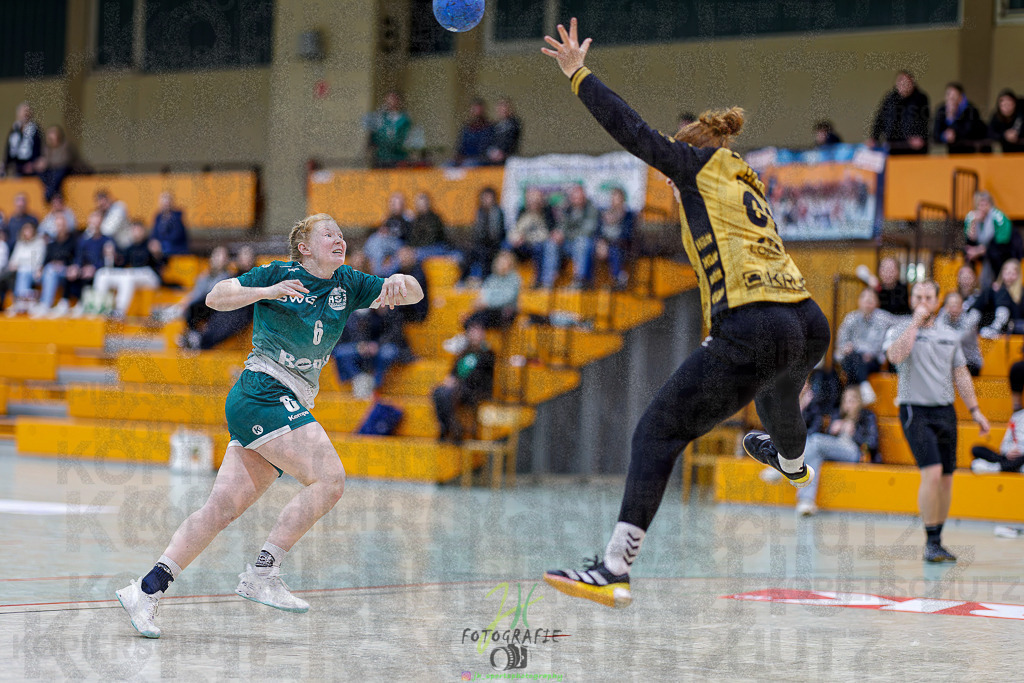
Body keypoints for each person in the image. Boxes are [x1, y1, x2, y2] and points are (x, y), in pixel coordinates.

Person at [539, 19, 829, 608]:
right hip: (807, 318)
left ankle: (613, 567)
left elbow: (632, 131)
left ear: (691, 151)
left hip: (755, 321)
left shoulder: (695, 165)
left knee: (658, 429)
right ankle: (794, 462)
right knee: (777, 395)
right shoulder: (744, 177)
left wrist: (578, 75)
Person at [116, 214, 423, 638]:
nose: (338, 238)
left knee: (220, 510)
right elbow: (215, 297)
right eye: (328, 234)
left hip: (280, 403)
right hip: (262, 390)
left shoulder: (348, 282)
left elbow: (414, 295)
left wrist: (401, 281)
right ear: (305, 247)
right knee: (330, 479)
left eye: (340, 232)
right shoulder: (279, 273)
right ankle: (264, 571)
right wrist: (266, 291)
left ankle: (145, 590)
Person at [883, 280, 990, 563]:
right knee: (931, 472)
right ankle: (930, 541)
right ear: (911, 299)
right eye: (918, 296)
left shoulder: (950, 335)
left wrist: (975, 410)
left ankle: (937, 540)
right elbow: (895, 356)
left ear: (937, 301)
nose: (923, 301)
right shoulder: (899, 330)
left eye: (929, 297)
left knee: (945, 479)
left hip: (945, 412)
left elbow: (961, 374)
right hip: (914, 411)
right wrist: (915, 325)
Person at [764, 384, 879, 516]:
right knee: (814, 454)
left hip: (855, 451)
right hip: (835, 450)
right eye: (846, 400)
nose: (849, 404)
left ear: (859, 402)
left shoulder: (867, 417)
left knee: (816, 440)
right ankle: (806, 502)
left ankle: (783, 465)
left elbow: (872, 442)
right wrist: (834, 430)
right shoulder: (838, 415)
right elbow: (829, 439)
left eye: (852, 400)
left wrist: (855, 433)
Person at [432, 321, 496, 445]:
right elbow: (453, 371)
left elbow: (481, 377)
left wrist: (457, 382)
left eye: (477, 332)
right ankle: (449, 426)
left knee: (447, 394)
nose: (474, 335)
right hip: (459, 387)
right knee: (438, 392)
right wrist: (450, 379)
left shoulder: (487, 353)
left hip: (476, 389)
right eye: (472, 332)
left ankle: (449, 428)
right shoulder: (464, 352)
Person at [91, 222, 165, 318]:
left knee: (128, 276)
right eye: (134, 230)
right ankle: (98, 309)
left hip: (151, 276)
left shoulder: (150, 244)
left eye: (138, 230)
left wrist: (158, 253)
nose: (136, 233)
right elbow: (121, 263)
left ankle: (119, 311)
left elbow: (162, 263)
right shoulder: (130, 247)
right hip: (134, 275)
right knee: (102, 273)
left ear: (144, 231)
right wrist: (113, 256)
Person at [834, 288, 893, 404]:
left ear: (877, 303)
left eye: (871, 300)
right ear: (859, 302)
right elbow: (840, 345)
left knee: (852, 365)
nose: (868, 302)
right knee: (853, 358)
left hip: (873, 360)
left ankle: (847, 408)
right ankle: (864, 385)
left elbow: (902, 322)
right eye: (865, 299)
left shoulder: (883, 318)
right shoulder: (850, 319)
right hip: (853, 357)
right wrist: (846, 349)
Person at [541, 183, 599, 289]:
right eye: (574, 196)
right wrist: (558, 233)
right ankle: (547, 282)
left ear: (584, 196)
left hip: (587, 245)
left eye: (579, 196)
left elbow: (587, 231)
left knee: (581, 242)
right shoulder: (567, 208)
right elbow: (561, 226)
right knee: (551, 243)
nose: (576, 198)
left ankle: (579, 281)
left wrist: (565, 234)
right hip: (568, 244)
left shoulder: (591, 208)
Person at [964, 191, 1018, 289]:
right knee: (966, 252)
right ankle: (969, 285)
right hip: (983, 251)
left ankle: (996, 283)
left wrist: (978, 251)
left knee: (993, 253)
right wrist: (974, 222)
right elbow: (970, 239)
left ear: (990, 205)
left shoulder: (997, 216)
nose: (983, 208)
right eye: (980, 205)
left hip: (1003, 251)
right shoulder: (972, 217)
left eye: (985, 204)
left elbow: (1002, 241)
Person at [868, 71, 930, 154]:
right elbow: (879, 119)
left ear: (912, 83)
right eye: (900, 82)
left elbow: (925, 120)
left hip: (913, 146)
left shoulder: (921, 98)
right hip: (893, 144)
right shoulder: (890, 98)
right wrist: (874, 137)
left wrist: (920, 136)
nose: (903, 85)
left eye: (906, 82)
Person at [65, 211, 112, 314]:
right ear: (89, 221)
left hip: (100, 270)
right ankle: (65, 303)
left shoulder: (107, 240)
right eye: (94, 219)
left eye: (98, 219)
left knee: (91, 275)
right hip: (85, 268)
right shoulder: (84, 240)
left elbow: (107, 261)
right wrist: (76, 267)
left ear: (102, 222)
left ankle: (84, 304)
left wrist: (94, 268)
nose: (96, 222)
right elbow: (79, 257)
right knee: (71, 272)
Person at [31, 212, 77, 316]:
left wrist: (72, 266)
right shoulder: (52, 244)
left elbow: (76, 257)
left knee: (51, 270)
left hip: (67, 270)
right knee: (36, 271)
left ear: (66, 226)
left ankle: (46, 304)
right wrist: (40, 269)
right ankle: (22, 303)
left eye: (62, 225)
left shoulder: (73, 241)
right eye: (58, 225)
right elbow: (46, 259)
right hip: (52, 270)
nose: (60, 228)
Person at [463, 250, 520, 330]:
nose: (501, 264)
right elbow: (484, 293)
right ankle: (475, 339)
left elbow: (508, 298)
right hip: (489, 311)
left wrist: (488, 303)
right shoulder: (492, 279)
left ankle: (476, 339)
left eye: (504, 262)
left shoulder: (514, 279)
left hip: (504, 312)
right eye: (500, 262)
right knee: (470, 320)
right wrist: (481, 302)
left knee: (478, 320)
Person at [460, 187, 505, 284]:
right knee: (468, 252)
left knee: (485, 253)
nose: (486, 200)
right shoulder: (479, 212)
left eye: (489, 197)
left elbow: (497, 234)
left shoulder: (498, 212)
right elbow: (476, 232)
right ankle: (463, 280)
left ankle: (486, 281)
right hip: (480, 244)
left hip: (494, 245)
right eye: (484, 197)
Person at [594, 187, 636, 289]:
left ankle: (618, 280)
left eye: (618, 198)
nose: (615, 201)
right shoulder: (604, 214)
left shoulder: (629, 215)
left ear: (623, 199)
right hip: (603, 244)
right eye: (613, 197)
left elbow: (627, 234)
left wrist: (608, 244)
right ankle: (587, 281)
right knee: (589, 248)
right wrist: (601, 243)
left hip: (621, 245)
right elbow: (597, 230)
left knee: (614, 250)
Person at [506, 186, 553, 273]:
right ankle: (506, 278)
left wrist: (526, 238)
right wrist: (515, 238)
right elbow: (516, 229)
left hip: (538, 243)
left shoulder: (547, 212)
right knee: (507, 245)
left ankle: (538, 281)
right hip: (523, 244)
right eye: (530, 200)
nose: (533, 202)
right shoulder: (522, 211)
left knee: (540, 247)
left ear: (541, 201)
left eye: (536, 200)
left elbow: (546, 234)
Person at [2, 222, 45, 315]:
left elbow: (35, 262)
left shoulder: (38, 243)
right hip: (19, 270)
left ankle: (19, 302)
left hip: (34, 272)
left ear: (33, 231)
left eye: (29, 230)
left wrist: (20, 263)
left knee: (23, 271)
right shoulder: (20, 243)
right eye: (25, 230)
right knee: (13, 274)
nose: (27, 232)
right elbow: (13, 260)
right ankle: (17, 302)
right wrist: (15, 264)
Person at [932, 83, 987, 154]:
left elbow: (969, 132)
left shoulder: (971, 110)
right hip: (951, 152)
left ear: (961, 97)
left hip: (969, 152)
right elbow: (936, 134)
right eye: (948, 95)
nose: (951, 99)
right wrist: (944, 136)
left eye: (954, 96)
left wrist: (951, 118)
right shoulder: (941, 110)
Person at [938, 291, 982, 376]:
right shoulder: (943, 319)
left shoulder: (969, 322)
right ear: (946, 307)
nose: (954, 308)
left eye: (957, 305)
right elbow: (936, 333)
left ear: (962, 306)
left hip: (971, 362)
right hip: (951, 361)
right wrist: (943, 313)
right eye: (951, 305)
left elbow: (956, 340)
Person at [366, 90, 412, 168]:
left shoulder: (404, 118)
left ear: (399, 101)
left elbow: (406, 137)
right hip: (381, 156)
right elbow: (373, 133)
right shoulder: (381, 116)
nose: (391, 102)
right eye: (388, 99)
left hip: (398, 156)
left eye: (394, 99)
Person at [971, 408, 1024, 473]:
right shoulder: (1017, 416)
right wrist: (1008, 452)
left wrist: (1021, 452)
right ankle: (1007, 466)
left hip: (1022, 458)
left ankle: (996, 467)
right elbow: (1004, 444)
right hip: (1010, 458)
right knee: (977, 449)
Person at [980, 258, 1024, 337]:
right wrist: (992, 292)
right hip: (997, 329)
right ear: (1002, 273)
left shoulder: (1022, 291)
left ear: (1018, 275)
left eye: (1013, 273)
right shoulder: (994, 290)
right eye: (1007, 273)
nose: (1009, 277)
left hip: (1015, 329)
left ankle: (996, 328)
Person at [37, 125, 78, 201]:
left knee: (59, 172)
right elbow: (44, 161)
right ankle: (54, 192)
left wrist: (48, 163)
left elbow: (65, 161)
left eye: (53, 133)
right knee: (41, 172)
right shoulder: (46, 148)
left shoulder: (65, 146)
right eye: (49, 134)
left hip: (64, 169)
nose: (50, 137)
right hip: (51, 170)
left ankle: (49, 193)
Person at [4, 102, 43, 176]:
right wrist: (6, 163)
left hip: (29, 165)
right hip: (15, 165)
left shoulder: (35, 130)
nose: (25, 114)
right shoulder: (14, 129)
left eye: (27, 112)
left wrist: (33, 163)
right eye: (23, 112)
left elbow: (38, 148)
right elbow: (9, 148)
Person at [453, 99, 494, 167]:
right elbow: (461, 147)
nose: (477, 112)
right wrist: (458, 158)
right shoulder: (467, 128)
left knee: (468, 164)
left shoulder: (489, 128)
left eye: (479, 110)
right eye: (475, 110)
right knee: (446, 166)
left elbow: (487, 148)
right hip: (464, 159)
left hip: (480, 160)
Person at [486, 97, 522, 164]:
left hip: (508, 158)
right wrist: (491, 152)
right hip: (493, 157)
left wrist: (503, 153)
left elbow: (512, 140)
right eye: (500, 107)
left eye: (505, 106)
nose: (502, 109)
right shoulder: (495, 126)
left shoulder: (514, 123)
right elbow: (490, 141)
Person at [988, 89, 1024, 154]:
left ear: (1015, 103)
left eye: (1009, 104)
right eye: (1003, 105)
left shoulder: (1021, 114)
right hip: (1007, 153)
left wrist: (1017, 135)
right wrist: (1004, 135)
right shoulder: (996, 117)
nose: (1006, 107)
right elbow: (990, 133)